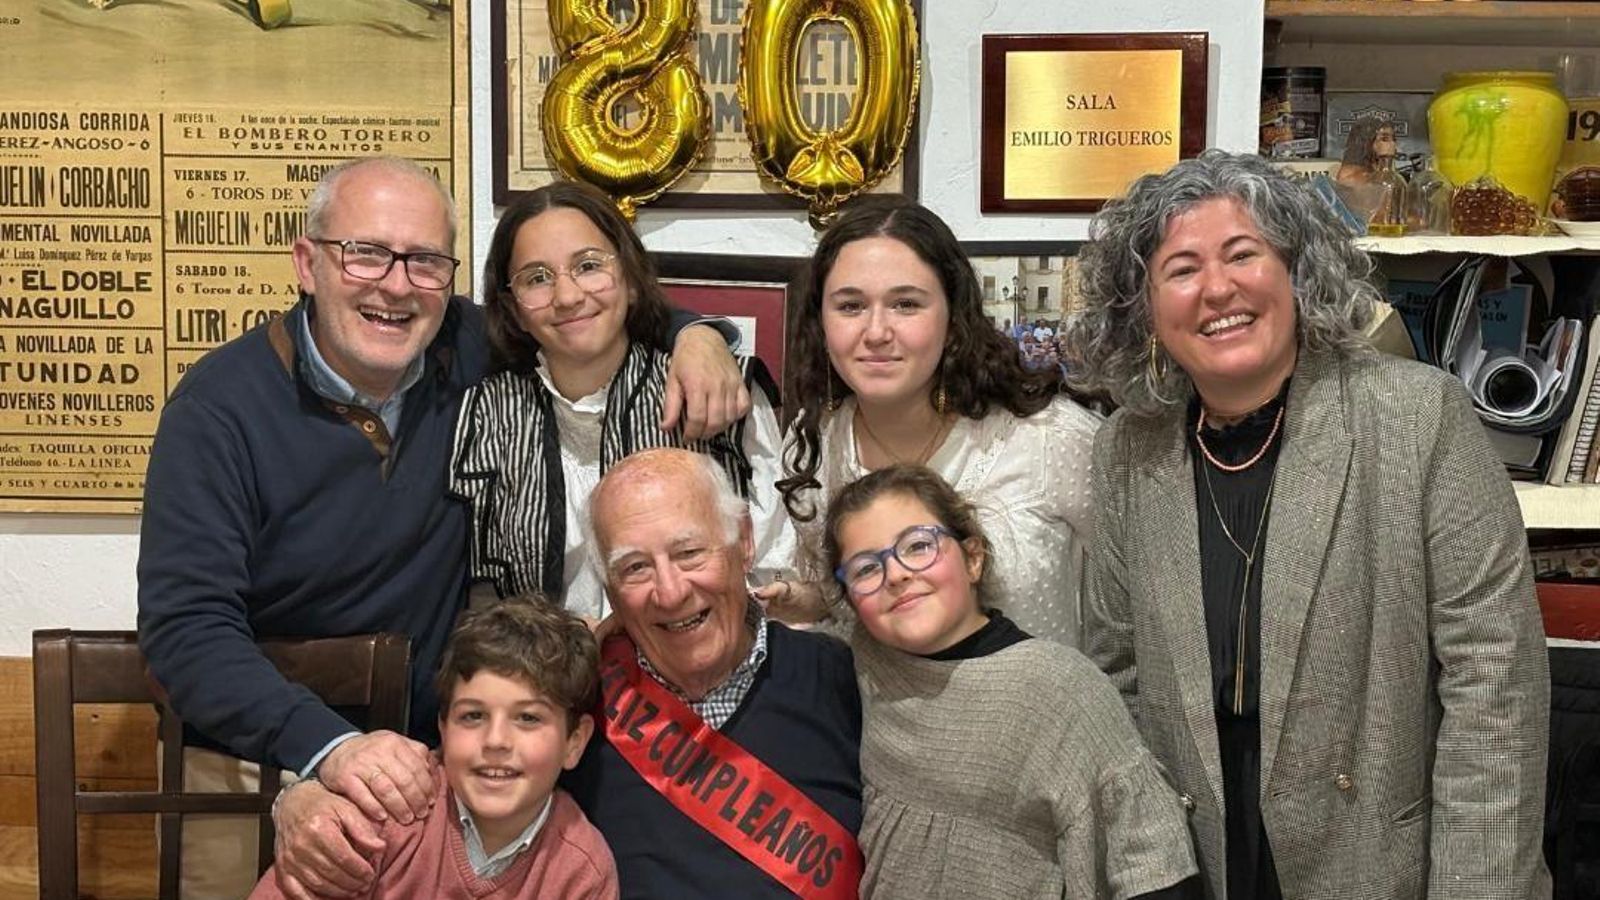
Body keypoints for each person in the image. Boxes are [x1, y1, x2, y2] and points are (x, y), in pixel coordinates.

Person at [135, 156, 749, 898]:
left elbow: (585, 313)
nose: (395, 285)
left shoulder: (465, 347)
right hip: (253, 757)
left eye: (424, 262)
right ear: (307, 263)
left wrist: (699, 334)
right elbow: (186, 629)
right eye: (363, 252)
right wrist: (322, 753)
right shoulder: (217, 410)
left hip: (433, 769)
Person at [1067, 150, 1551, 900]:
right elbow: (1115, 679)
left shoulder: (1418, 416)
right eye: (1182, 269)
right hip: (1199, 862)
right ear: (1146, 310)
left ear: (1297, 272)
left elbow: (1494, 686)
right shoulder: (1129, 448)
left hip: (1379, 867)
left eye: (1242, 254)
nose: (1217, 288)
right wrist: (1152, 867)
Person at [824, 465, 1201, 899]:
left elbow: (1152, 854)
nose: (896, 575)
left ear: (973, 558)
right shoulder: (869, 663)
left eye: (918, 545)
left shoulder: (1058, 688)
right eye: (866, 569)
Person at [448, 180, 794, 620]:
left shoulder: (717, 390)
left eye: (589, 266)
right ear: (514, 308)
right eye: (537, 278)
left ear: (629, 279)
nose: (568, 296)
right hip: (545, 678)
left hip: (704, 674)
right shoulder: (484, 414)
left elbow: (773, 573)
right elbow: (481, 600)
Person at [769, 196, 1100, 647]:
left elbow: (1136, 612)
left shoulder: (1050, 439)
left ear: (952, 317)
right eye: (850, 306)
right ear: (820, 322)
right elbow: (843, 603)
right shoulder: (813, 448)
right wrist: (800, 598)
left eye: (905, 304)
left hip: (1047, 711)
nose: (877, 331)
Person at [566, 448, 863, 898]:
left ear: (744, 541)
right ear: (609, 587)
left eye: (688, 553)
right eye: (635, 568)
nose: (669, 592)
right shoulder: (575, 702)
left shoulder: (844, 681)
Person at [249, 598, 617, 898]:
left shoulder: (583, 871)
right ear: (443, 725)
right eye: (473, 716)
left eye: (528, 719)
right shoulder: (384, 811)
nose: (495, 741)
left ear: (574, 742)